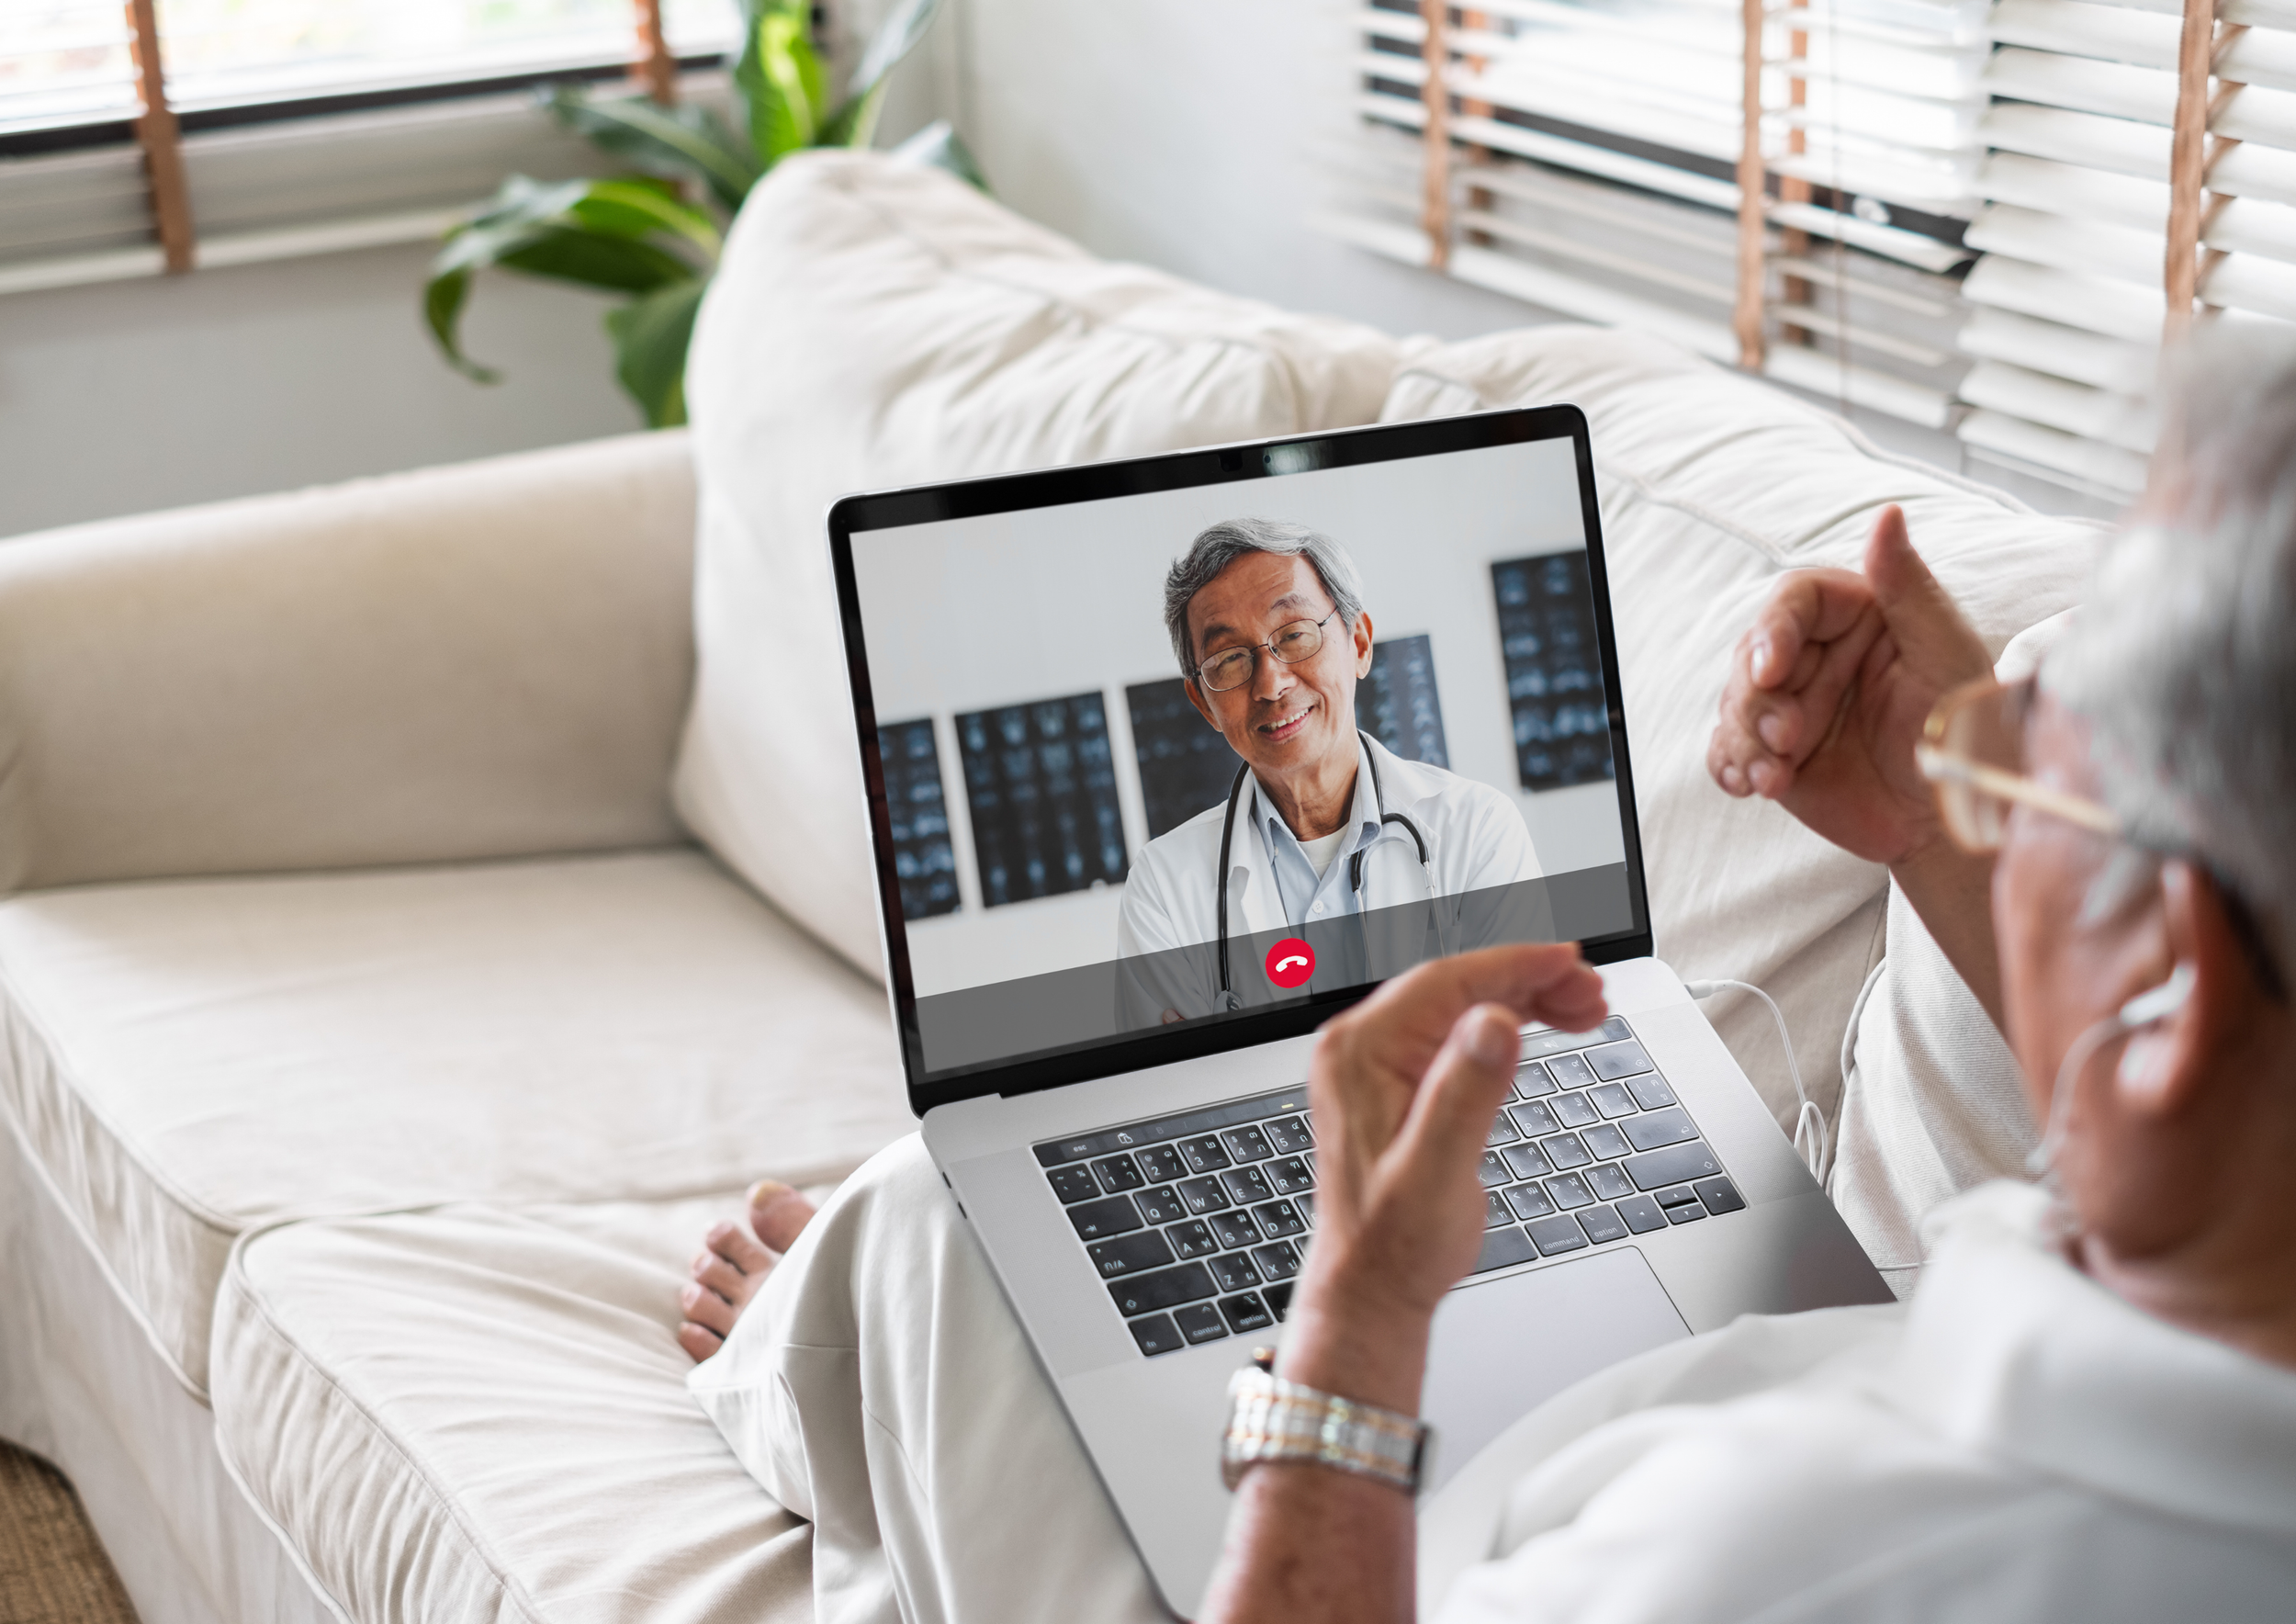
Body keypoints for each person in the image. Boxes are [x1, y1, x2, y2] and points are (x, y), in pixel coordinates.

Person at [676, 335, 2296, 1620]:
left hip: (1433, 1504)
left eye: (2039, 770)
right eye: (1226, 658)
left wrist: (1359, 1319)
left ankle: (830, 1384)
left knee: (923, 1235)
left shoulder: (1783, 1554)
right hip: (1699, 1360)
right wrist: (1957, 837)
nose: (1271, 679)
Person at [1116, 517, 1544, 1015]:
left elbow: (1515, 1049)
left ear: (1359, 643)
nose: (1271, 684)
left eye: (1294, 635)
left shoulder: (1478, 827)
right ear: (1204, 703)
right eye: (1229, 660)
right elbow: (1175, 1089)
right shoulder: (1163, 886)